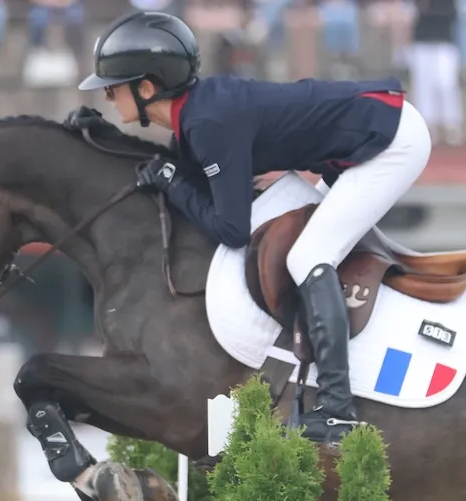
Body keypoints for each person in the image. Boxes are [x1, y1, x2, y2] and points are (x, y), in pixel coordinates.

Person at [60, 10, 433, 447]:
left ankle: (337, 410)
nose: (107, 96)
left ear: (147, 88)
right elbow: (176, 173)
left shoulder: (206, 122)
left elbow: (231, 228)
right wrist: (106, 141)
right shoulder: (196, 116)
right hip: (363, 138)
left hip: (390, 143)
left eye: (113, 87)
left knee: (309, 256)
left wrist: (171, 183)